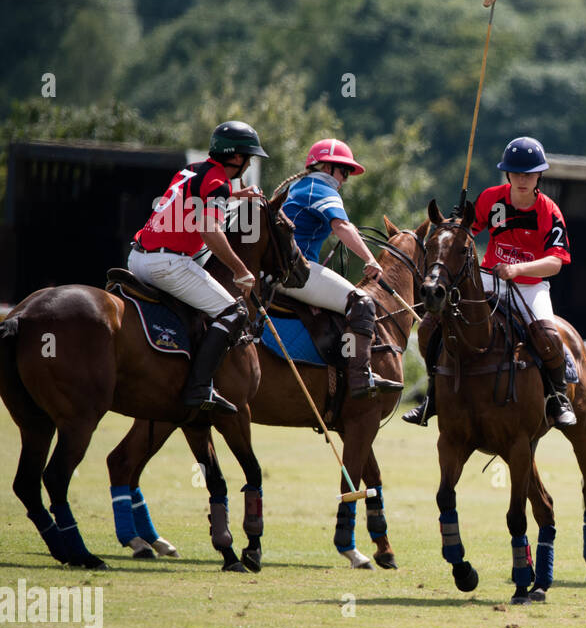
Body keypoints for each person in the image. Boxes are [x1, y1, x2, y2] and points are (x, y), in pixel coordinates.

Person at [404, 136, 576, 427]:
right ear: (508, 173)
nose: (522, 179)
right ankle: (433, 393)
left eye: (529, 174)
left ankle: (558, 398)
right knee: (431, 326)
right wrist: (456, 223)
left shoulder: (549, 211)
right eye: (517, 173)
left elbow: (556, 262)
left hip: (530, 285)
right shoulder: (491, 198)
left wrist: (518, 268)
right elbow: (467, 233)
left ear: (539, 176)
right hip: (488, 279)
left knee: (548, 336)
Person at [128, 120, 268, 413]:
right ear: (238, 158)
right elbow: (208, 228)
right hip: (168, 264)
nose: (248, 163)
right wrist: (240, 269)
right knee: (233, 312)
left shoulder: (190, 171)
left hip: (137, 259)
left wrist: (239, 194)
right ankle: (199, 387)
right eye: (249, 157)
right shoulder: (218, 182)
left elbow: (201, 195)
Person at [275, 139, 402, 399]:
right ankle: (361, 376)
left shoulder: (297, 186)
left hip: (280, 270)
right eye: (343, 171)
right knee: (363, 301)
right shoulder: (322, 188)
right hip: (294, 273)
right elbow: (340, 227)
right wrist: (370, 259)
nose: (345, 178)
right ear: (325, 166)